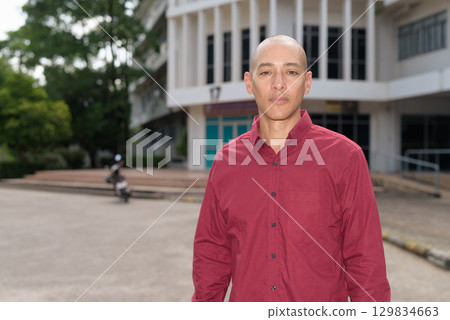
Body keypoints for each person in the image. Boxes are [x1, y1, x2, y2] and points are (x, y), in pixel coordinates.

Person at [192, 35, 390, 302]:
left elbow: (366, 262)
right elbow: (211, 256)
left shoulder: (346, 157)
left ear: (306, 83)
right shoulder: (225, 162)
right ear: (249, 83)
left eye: (291, 72)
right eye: (266, 72)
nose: (278, 84)